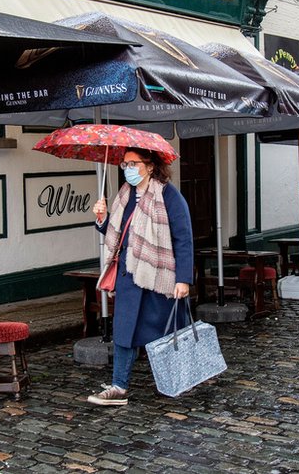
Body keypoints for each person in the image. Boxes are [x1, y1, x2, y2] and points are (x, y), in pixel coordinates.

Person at [87, 147, 193, 406]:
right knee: (123, 332)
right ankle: (118, 386)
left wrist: (183, 278)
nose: (128, 169)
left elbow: (183, 238)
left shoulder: (169, 195)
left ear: (150, 166)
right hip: (129, 275)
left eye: (133, 164)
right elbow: (120, 233)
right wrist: (102, 219)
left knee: (164, 333)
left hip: (158, 275)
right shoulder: (124, 195)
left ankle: (174, 380)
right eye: (125, 165)